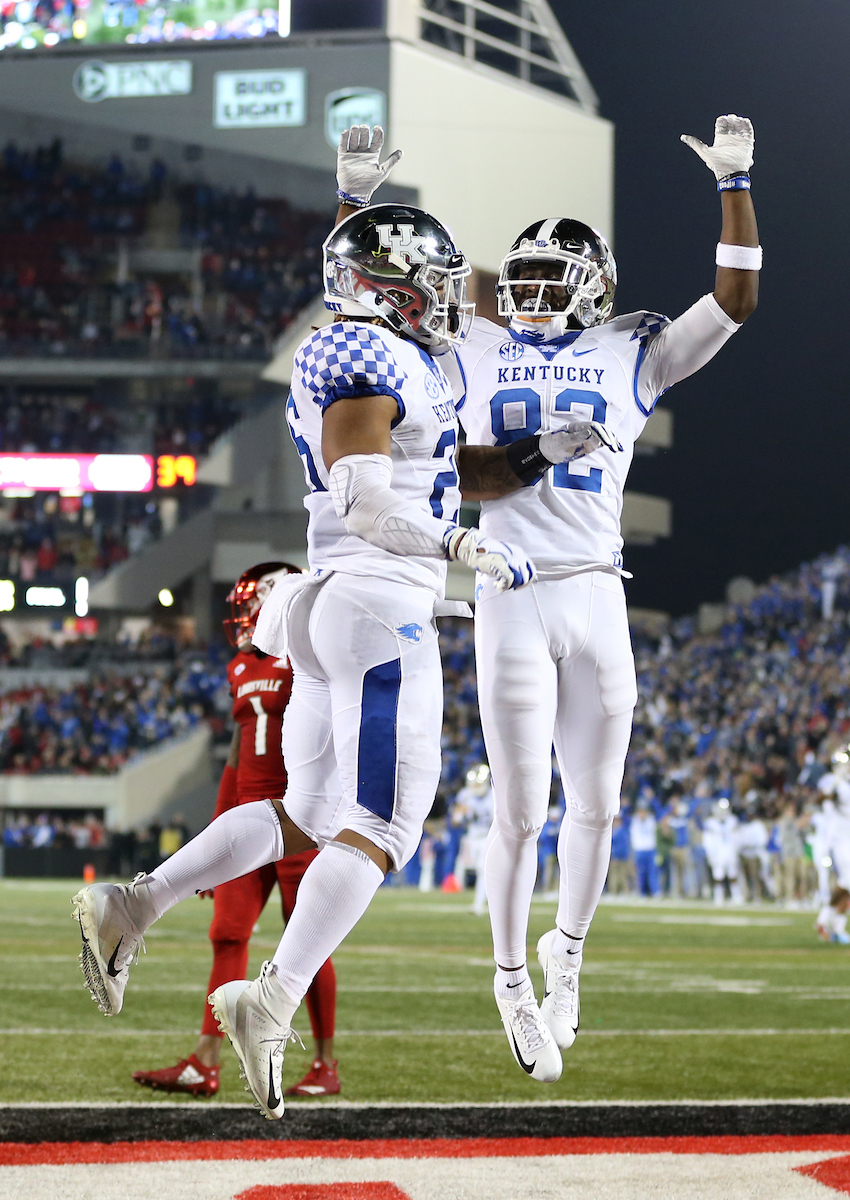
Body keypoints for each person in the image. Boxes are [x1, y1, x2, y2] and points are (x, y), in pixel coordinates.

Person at [72, 201, 614, 1114]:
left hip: (339, 608)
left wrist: (536, 455)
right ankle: (271, 1000)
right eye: (433, 282)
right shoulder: (362, 352)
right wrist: (459, 545)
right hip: (376, 606)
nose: (450, 297)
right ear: (389, 288)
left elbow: (444, 470)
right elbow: (366, 500)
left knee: (308, 814)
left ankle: (135, 905)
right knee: (386, 826)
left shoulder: (396, 358)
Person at [335, 114, 760, 1078]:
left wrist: (735, 186)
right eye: (518, 279)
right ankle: (510, 983)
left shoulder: (633, 348)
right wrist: (354, 205)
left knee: (598, 806)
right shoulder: (474, 342)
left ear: (594, 287)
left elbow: (735, 300)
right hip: (510, 589)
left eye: (547, 281)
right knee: (520, 811)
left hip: (598, 591)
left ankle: (565, 955)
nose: (526, 295)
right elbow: (375, 293)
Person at [131, 563, 340, 1100]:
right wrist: (212, 842)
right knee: (226, 933)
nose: (245, 616)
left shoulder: (311, 653)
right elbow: (236, 752)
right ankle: (205, 1062)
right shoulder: (241, 665)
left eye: (251, 605)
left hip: (298, 820)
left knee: (308, 937)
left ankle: (324, 1063)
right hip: (250, 818)